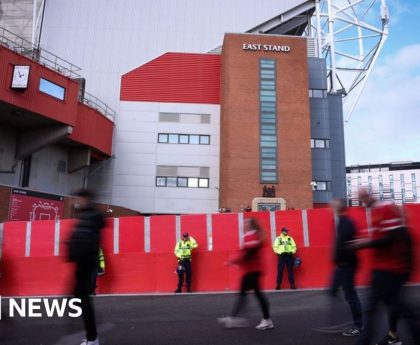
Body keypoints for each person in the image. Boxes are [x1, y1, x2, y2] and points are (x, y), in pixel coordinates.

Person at [351, 188, 420, 345]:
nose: (362, 202)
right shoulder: (375, 212)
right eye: (360, 199)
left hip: (388, 271)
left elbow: (393, 238)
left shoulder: (385, 210)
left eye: (363, 197)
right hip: (382, 271)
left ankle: (391, 337)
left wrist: (366, 243)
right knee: (394, 307)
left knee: (387, 308)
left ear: (370, 195)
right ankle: (393, 336)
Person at [218, 218, 273, 330]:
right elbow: (248, 253)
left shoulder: (251, 236)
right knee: (256, 294)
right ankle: (266, 320)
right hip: (253, 270)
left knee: (244, 294)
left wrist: (233, 261)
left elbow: (249, 254)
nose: (244, 225)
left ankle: (234, 318)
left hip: (252, 271)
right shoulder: (254, 235)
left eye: (246, 223)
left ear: (251, 225)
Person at [68, 189, 105, 345]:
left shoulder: (89, 216)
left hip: (84, 264)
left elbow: (85, 240)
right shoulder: (87, 215)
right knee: (80, 299)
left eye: (77, 198)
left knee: (82, 300)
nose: (75, 201)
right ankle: (92, 336)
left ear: (85, 199)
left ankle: (92, 338)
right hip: (83, 263)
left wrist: (74, 252)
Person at [329, 199, 363, 337]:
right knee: (332, 290)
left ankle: (358, 325)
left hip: (347, 264)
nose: (331, 207)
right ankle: (343, 317)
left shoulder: (347, 222)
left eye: (334, 205)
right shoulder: (338, 221)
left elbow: (349, 244)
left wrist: (341, 258)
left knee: (351, 295)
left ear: (340, 208)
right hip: (341, 265)